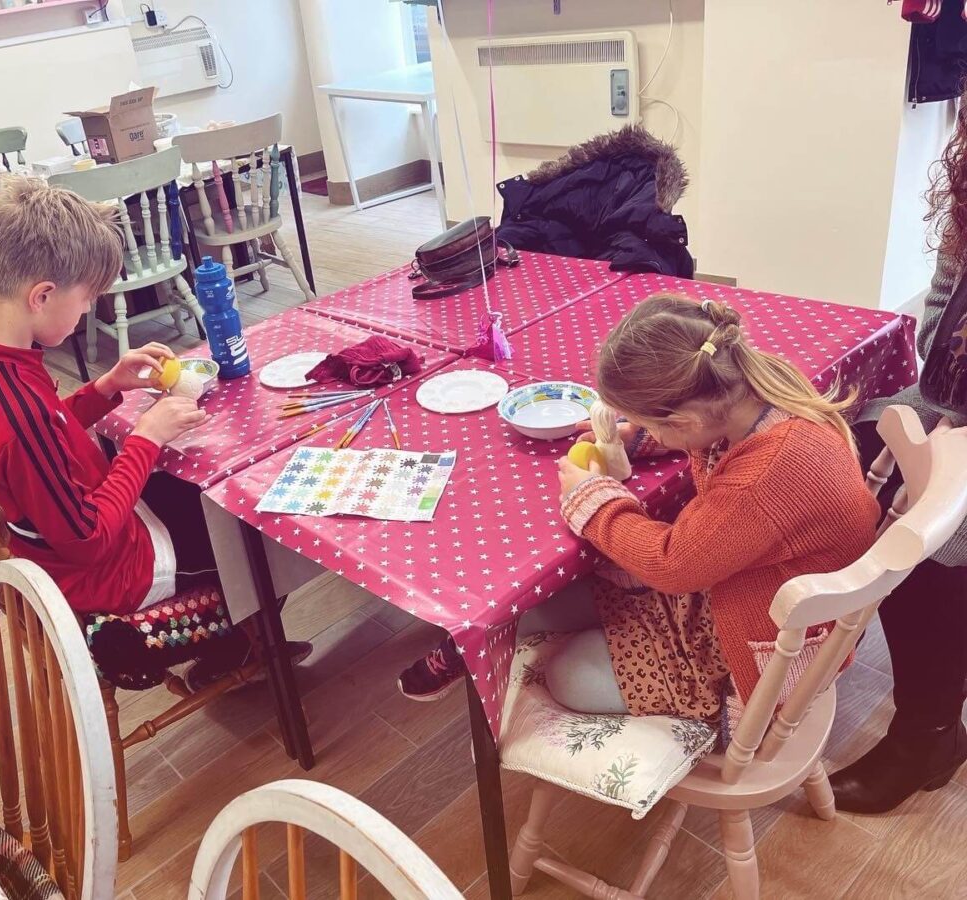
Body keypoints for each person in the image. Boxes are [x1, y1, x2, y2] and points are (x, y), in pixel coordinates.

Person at [401, 294, 881, 730]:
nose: (649, 431)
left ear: (687, 419)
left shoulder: (765, 473)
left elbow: (673, 566)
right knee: (538, 603)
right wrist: (640, 437)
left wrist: (595, 502)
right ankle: (470, 652)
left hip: (757, 638)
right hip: (743, 586)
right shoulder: (753, 389)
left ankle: (502, 660)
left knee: (569, 676)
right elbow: (703, 444)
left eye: (654, 423)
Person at [0, 178, 306, 691]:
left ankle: (225, 640)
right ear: (41, 295)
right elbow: (86, 539)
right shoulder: (14, 413)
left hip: (59, 532)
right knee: (254, 527)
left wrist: (105, 387)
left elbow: (42, 436)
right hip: (103, 567)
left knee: (201, 490)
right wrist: (144, 438)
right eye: (87, 299)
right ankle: (196, 639)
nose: (88, 311)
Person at [829, 99, 967, 812]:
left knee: (933, 536)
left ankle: (929, 733)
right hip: (952, 405)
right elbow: (940, 322)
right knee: (839, 455)